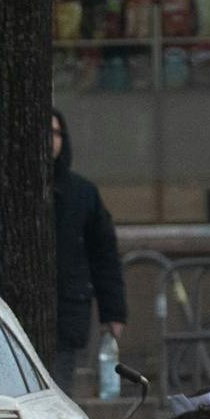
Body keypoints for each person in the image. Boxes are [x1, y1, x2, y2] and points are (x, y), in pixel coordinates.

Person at [51, 108, 127, 388]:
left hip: (68, 309)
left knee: (60, 382)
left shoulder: (82, 193)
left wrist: (113, 312)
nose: (51, 140)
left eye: (57, 133)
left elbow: (104, 254)